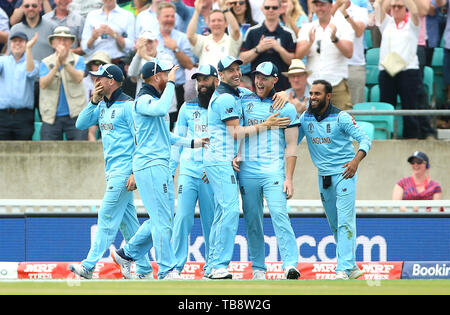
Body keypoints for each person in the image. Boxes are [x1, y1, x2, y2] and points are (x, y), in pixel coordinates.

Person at [203, 56, 290, 279]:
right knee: (229, 210)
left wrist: (283, 93)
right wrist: (266, 124)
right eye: (230, 70)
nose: (236, 73)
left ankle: (212, 266)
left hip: (223, 160)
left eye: (238, 69)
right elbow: (235, 132)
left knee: (223, 211)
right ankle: (218, 266)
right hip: (221, 161)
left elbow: (266, 95)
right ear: (220, 75)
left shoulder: (237, 94)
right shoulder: (225, 98)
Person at [69, 63, 152, 279]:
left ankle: (88, 266)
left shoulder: (128, 106)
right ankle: (144, 270)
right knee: (129, 225)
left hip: (124, 172)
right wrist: (94, 101)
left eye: (100, 78)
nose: (96, 81)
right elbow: (80, 124)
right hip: (112, 171)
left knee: (106, 216)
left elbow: (140, 140)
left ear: (111, 81)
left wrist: (135, 171)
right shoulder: (101, 105)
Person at [110, 60, 183, 280]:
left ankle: (126, 254)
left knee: (164, 218)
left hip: (158, 164)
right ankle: (167, 269)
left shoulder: (152, 100)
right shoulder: (143, 100)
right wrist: (171, 84)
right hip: (150, 165)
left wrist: (195, 142)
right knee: (161, 220)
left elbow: (167, 136)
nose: (169, 76)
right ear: (156, 76)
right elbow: (162, 108)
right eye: (165, 74)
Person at [297, 79, 371, 280]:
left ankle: (342, 269)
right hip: (323, 176)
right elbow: (291, 142)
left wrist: (355, 162)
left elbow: (365, 139)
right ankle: (352, 266)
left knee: (346, 220)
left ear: (328, 96)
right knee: (335, 223)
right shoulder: (305, 118)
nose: (312, 97)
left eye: (317, 94)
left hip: (345, 173)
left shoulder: (342, 117)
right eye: (311, 93)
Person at [233, 61, 301, 280]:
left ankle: (290, 265)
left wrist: (289, 178)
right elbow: (224, 86)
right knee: (252, 220)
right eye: (257, 77)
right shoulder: (243, 99)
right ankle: (259, 269)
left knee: (280, 215)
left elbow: (292, 146)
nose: (259, 81)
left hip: (273, 171)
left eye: (264, 77)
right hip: (247, 171)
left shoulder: (286, 107)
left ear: (274, 80)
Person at [169, 64, 218, 276]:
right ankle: (175, 267)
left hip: (211, 174)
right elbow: (177, 141)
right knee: (182, 218)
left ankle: (212, 266)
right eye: (198, 80)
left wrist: (219, 166)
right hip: (189, 171)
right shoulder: (187, 108)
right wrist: (171, 170)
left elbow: (232, 140)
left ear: (216, 80)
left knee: (211, 221)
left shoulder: (224, 106)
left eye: (205, 79)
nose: (202, 84)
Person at [374, 0, 434, 139]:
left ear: (405, 8)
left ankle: (412, 139)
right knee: (387, 106)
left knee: (410, 106)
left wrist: (406, 2)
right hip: (387, 70)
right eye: (393, 6)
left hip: (408, 71)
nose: (395, 9)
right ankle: (387, 137)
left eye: (399, 6)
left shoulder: (412, 24)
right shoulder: (387, 23)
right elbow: (377, 6)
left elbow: (414, 11)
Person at [295, 0, 355, 111]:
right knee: (314, 125)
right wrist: (309, 42)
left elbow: (349, 53)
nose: (319, 8)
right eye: (316, 5)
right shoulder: (307, 27)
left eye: (322, 5)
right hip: (313, 86)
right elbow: (298, 55)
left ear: (331, 6)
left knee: (343, 123)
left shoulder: (343, 26)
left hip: (336, 84)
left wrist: (335, 39)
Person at [39, 26, 87, 140]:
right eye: (59, 39)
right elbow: (43, 84)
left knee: (79, 152)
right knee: (48, 154)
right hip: (51, 116)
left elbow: (79, 77)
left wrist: (64, 62)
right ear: (53, 43)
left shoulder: (79, 60)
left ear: (71, 42)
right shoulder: (45, 62)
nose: (62, 42)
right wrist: (56, 65)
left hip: (76, 114)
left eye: (65, 39)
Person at [240, 0, 296, 91]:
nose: (271, 10)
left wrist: (279, 49)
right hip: (258, 89)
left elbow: (293, 62)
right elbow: (242, 59)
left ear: (280, 9)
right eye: (267, 7)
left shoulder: (288, 33)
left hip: (282, 88)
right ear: (262, 9)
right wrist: (258, 49)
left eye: (274, 7)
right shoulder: (252, 32)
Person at [155, 1, 195, 128]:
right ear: (158, 17)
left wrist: (176, 49)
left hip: (177, 88)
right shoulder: (151, 38)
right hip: (156, 89)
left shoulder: (181, 38)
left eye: (172, 16)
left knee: (175, 127)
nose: (170, 19)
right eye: (167, 16)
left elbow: (190, 64)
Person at [0, 31, 38, 140]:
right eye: (14, 41)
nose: (17, 44)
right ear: (10, 44)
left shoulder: (33, 62)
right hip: (2, 116)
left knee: (25, 151)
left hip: (24, 116)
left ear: (26, 44)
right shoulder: (3, 60)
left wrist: (29, 49)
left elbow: (31, 73)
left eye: (21, 41)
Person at [186, 0, 242, 67]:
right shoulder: (203, 40)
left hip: (226, 77)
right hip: (205, 77)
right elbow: (190, 36)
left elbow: (236, 30)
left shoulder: (230, 40)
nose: (216, 23)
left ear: (226, 23)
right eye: (213, 21)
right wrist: (197, 11)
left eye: (219, 20)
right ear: (208, 24)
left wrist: (224, 9)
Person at [334, 0, 368, 105]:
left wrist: (345, 14)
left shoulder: (360, 11)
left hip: (355, 65)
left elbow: (358, 32)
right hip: (334, 66)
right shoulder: (327, 9)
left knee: (356, 108)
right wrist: (335, 7)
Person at [81, 0, 135, 65]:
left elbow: (130, 46)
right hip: (96, 63)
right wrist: (93, 38)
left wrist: (114, 35)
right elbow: (84, 47)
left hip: (118, 62)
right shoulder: (92, 15)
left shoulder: (128, 16)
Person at [82, 50, 111, 141]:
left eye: (102, 64)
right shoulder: (83, 82)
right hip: (90, 113)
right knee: (91, 128)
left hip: (107, 114)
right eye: (95, 63)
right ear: (91, 65)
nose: (98, 66)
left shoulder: (111, 83)